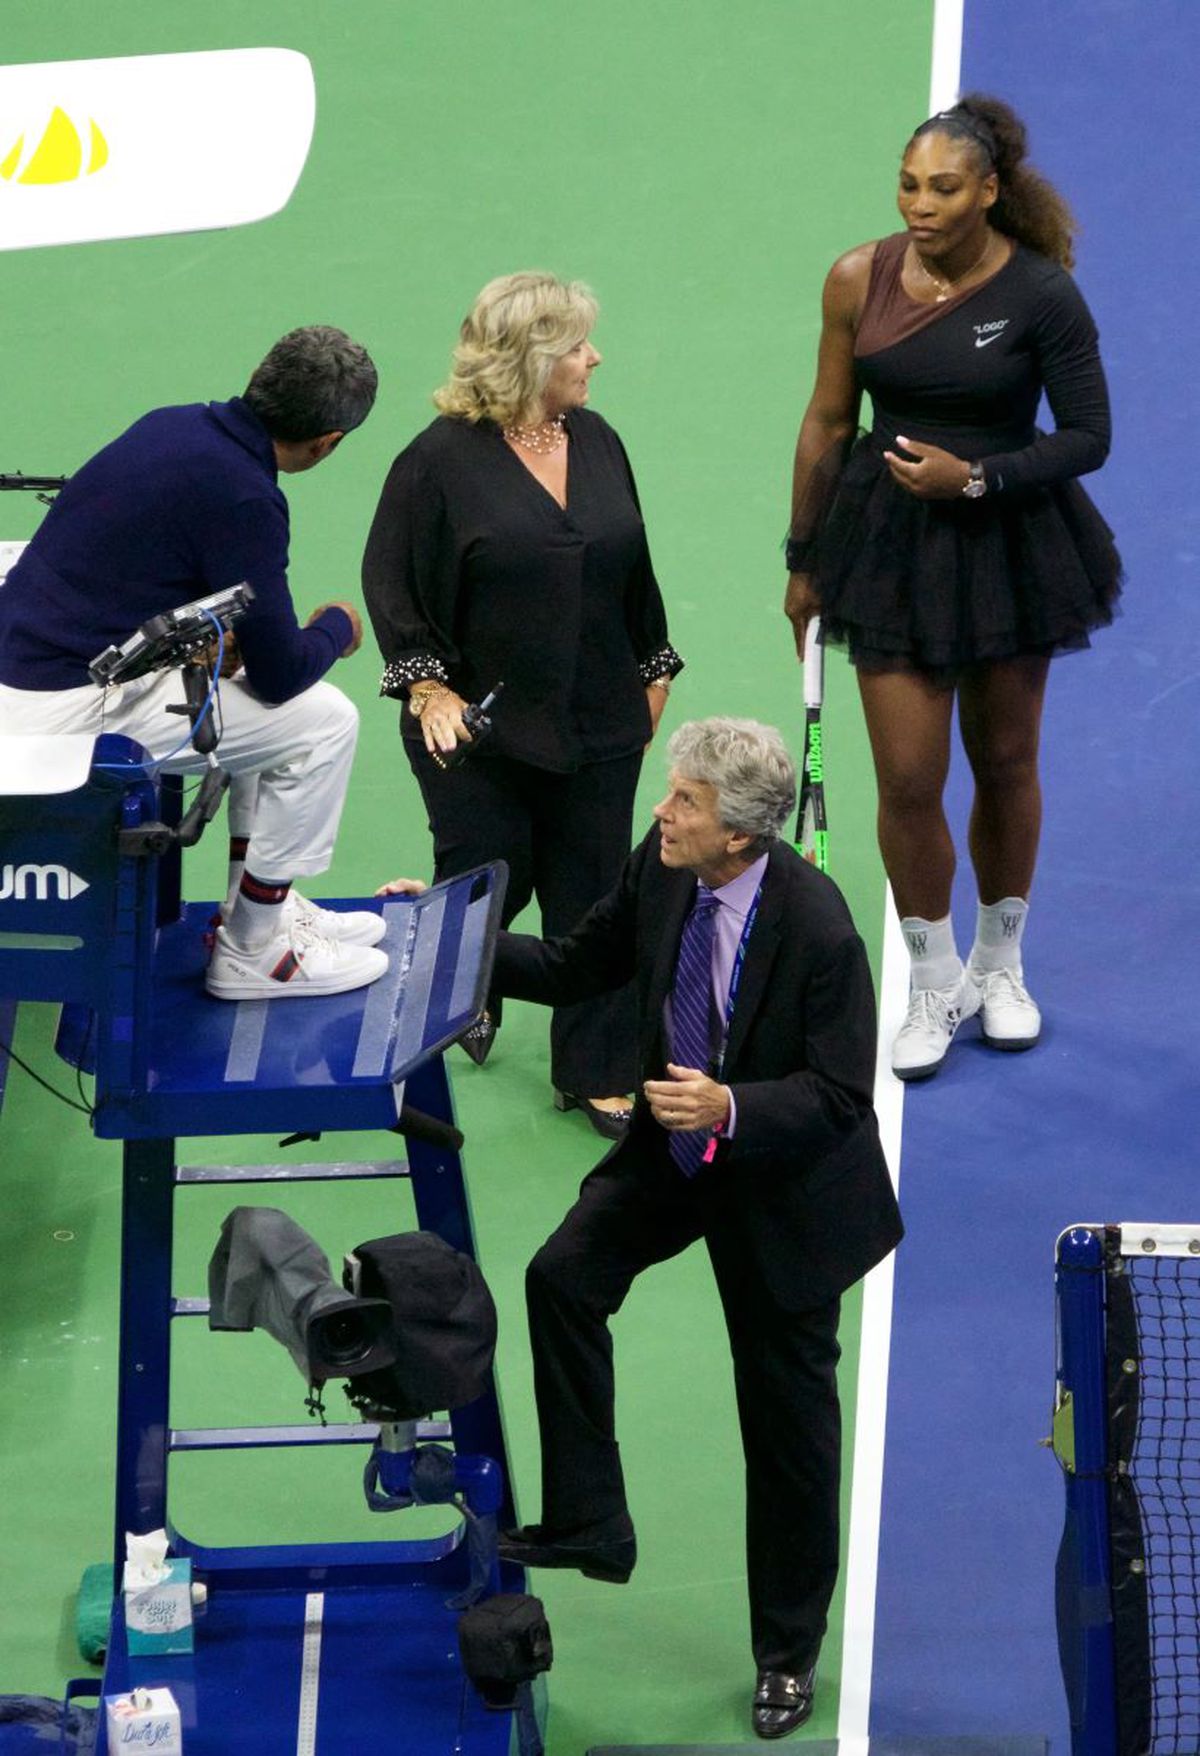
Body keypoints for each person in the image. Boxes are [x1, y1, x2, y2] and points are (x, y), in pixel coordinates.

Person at [490, 718, 902, 1740]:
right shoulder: (666, 866)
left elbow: (844, 1095)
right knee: (562, 1275)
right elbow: (579, 963)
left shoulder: (818, 927)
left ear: (740, 836)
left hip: (782, 1187)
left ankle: (787, 1654)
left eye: (684, 803)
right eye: (670, 794)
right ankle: (592, 1516)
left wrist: (730, 1108)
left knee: (786, 1433)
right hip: (675, 1154)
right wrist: (452, 944)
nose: (662, 812)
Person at [782, 93, 1120, 1081]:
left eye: (941, 188)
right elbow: (827, 422)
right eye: (907, 183)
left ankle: (1000, 965)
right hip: (886, 548)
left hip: (1012, 539)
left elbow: (1088, 437)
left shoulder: (1043, 294)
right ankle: (932, 984)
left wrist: (975, 478)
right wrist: (801, 556)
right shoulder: (858, 276)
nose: (918, 205)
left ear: (987, 192)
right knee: (906, 778)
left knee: (1007, 762)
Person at [362, 271, 682, 1139]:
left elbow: (631, 570)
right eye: (579, 345)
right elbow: (393, 590)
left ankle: (598, 1070)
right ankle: (471, 989)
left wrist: (653, 673)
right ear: (532, 357)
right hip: (481, 730)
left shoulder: (599, 438)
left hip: (598, 717)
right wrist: (430, 690)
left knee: (592, 894)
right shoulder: (435, 463)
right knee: (489, 880)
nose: (595, 357)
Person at [0, 325, 394, 1002]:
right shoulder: (246, 498)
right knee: (322, 720)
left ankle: (261, 904)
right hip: (47, 715)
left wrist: (222, 638)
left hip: (29, 661)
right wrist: (337, 627)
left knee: (243, 687)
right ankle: (255, 950)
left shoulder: (170, 426)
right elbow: (281, 672)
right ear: (327, 443)